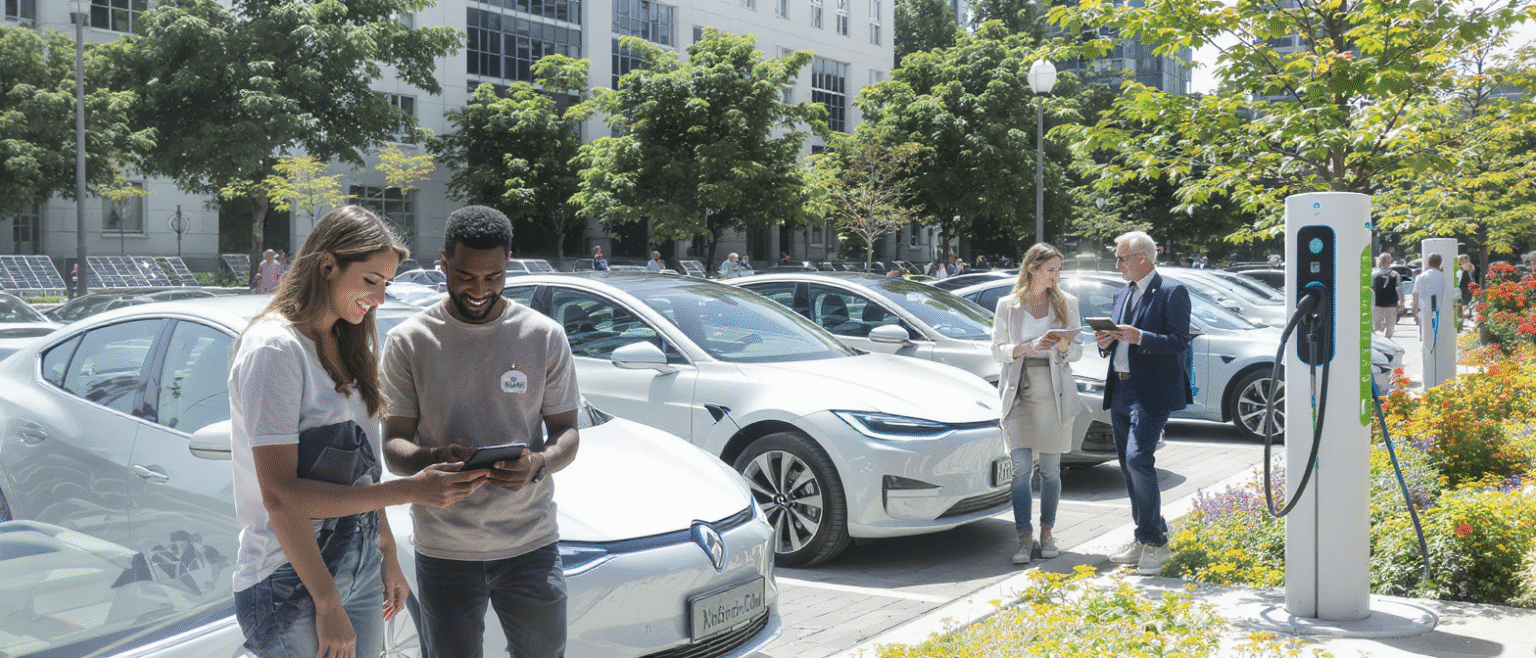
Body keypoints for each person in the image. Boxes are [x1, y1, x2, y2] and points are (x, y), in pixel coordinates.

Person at [229, 206, 487, 658]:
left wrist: (386, 553)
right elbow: (282, 496)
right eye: (371, 281)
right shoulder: (274, 349)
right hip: (290, 578)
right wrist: (412, 490)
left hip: (362, 567)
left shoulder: (349, 343)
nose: (381, 298)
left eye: (386, 284)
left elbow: (363, 470)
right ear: (327, 265)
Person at [382, 206, 581, 658]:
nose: (479, 290)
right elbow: (394, 446)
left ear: (508, 263)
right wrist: (433, 457)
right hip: (444, 549)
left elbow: (567, 433)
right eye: (466, 276)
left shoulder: (544, 336)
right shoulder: (410, 341)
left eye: (493, 278)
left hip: (530, 544)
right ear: (443, 262)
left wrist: (538, 464)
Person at [1094, 230, 1193, 576]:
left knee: (1138, 459)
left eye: (1122, 258)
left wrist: (1141, 337)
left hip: (1151, 391)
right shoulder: (1122, 294)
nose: (1117, 264)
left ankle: (1155, 542)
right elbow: (1112, 345)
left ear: (1142, 258)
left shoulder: (1171, 291)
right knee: (1127, 465)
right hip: (1120, 389)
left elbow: (1180, 342)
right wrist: (1105, 341)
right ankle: (1144, 535)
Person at [991, 243, 1083, 566]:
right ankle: (1023, 537)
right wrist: (1025, 347)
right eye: (1051, 270)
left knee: (1050, 470)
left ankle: (1047, 533)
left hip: (1054, 388)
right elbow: (997, 349)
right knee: (1020, 470)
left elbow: (1079, 349)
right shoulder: (1008, 304)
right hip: (1019, 388)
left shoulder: (1067, 303)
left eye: (1059, 270)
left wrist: (1063, 346)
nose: (1056, 276)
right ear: (1033, 269)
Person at [1415, 253, 1448, 338]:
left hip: (1425, 310)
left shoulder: (1421, 276)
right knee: (1438, 337)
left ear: (1428, 262)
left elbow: (1415, 296)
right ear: (1439, 263)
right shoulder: (1444, 277)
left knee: (1426, 338)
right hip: (1441, 311)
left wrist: (1415, 313)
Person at [1371, 254, 1401, 338]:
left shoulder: (1374, 273)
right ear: (1390, 261)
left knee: (1377, 326)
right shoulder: (1395, 274)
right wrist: (1401, 302)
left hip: (1377, 303)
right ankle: (1388, 340)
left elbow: (1371, 289)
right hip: (1391, 304)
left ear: (1380, 261)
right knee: (1390, 326)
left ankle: (1381, 342)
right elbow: (1398, 290)